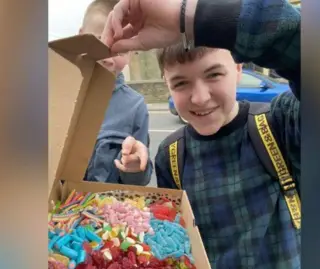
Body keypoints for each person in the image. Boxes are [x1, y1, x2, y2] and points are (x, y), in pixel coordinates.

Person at [101, 0, 301, 268]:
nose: (200, 97)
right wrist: (135, 175)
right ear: (167, 85)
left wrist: (191, 18)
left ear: (239, 69)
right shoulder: (171, 154)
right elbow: (173, 239)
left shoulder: (281, 124)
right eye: (181, 83)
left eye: (214, 74)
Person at [79, 0, 152, 186]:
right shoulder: (55, 91)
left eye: (120, 50)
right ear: (81, 38)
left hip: (107, 208)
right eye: (99, 42)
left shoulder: (135, 107)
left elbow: (138, 181)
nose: (108, 59)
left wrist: (134, 167)